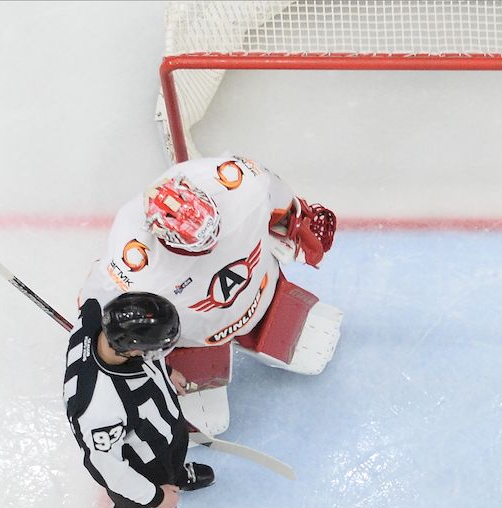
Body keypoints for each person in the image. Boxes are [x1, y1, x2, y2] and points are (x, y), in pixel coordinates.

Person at [78, 155, 340, 434]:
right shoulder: (133, 261)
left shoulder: (242, 182)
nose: (213, 241)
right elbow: (100, 311)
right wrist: (137, 364)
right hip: (190, 336)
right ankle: (192, 371)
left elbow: (286, 209)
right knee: (158, 340)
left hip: (262, 289)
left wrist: (296, 229)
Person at [64, 291, 215, 508]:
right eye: (157, 349)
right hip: (140, 468)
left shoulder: (96, 315)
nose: (160, 354)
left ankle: (175, 475)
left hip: (160, 428)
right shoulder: (98, 407)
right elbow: (109, 469)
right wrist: (154, 497)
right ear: (133, 350)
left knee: (176, 448)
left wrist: (165, 370)